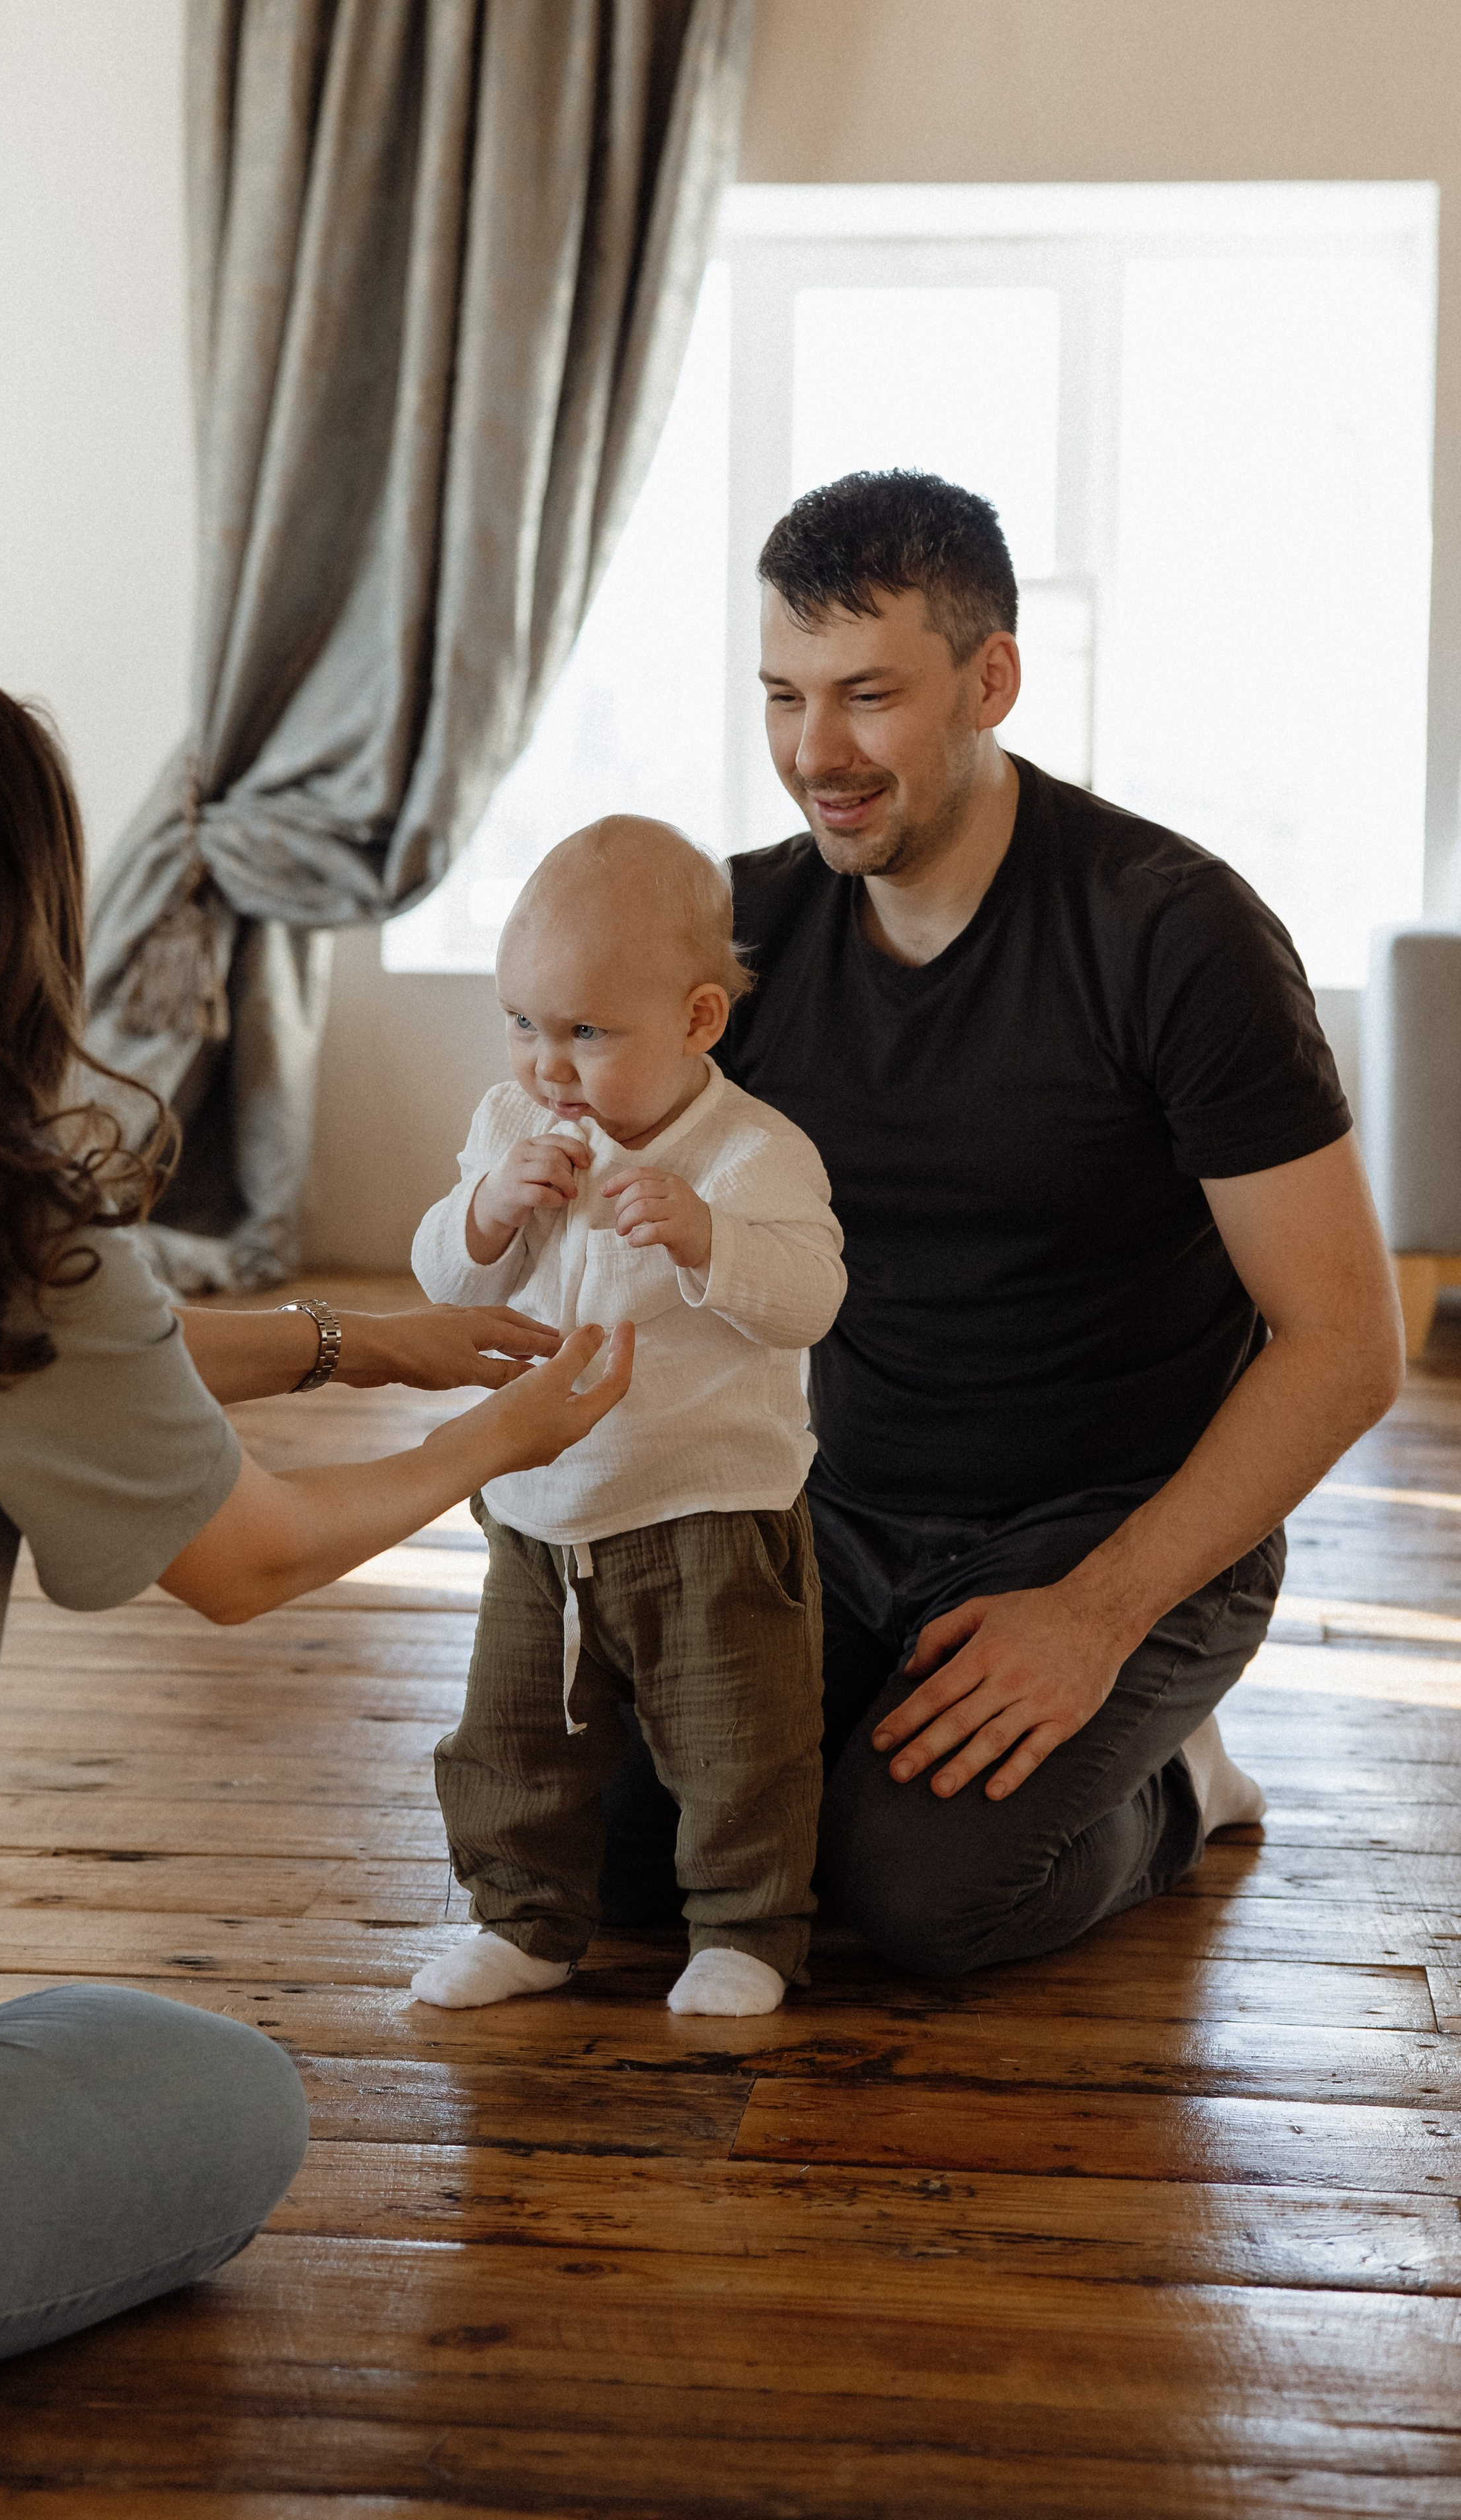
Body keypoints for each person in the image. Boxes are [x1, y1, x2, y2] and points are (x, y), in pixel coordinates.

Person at [0, 650, 630, 2452]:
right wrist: (496, 1437)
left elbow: (36, 1360)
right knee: (217, 2088)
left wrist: (356, 1339)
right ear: (7, 921)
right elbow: (249, 1556)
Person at [600, 468, 1405, 1977]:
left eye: (865, 696)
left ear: (992, 679)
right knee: (604, 1855)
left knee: (911, 1892)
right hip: (830, 1512)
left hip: (1113, 1526)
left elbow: (1348, 1344)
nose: (812, 753)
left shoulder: (1175, 934)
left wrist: (1096, 1616)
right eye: (779, 695)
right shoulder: (741, 933)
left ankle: (1175, 1780)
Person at [406, 818, 845, 2019]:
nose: (548, 1067)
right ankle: (524, 1919)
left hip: (709, 1512)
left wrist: (711, 1243)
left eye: (587, 1034)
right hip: (543, 1517)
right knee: (511, 1745)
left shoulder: (750, 1154)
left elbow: (812, 1299)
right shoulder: (512, 1129)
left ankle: (748, 1932)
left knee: (740, 1750)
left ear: (699, 1021)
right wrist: (489, 1212)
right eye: (524, 1026)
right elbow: (449, 1281)